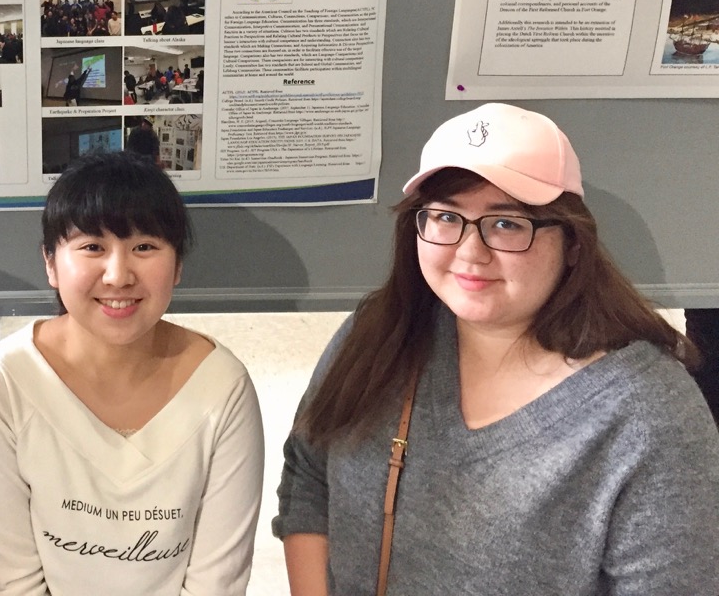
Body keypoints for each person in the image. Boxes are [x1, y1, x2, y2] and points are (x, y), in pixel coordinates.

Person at [274, 103, 719, 595]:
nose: (470, 252)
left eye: (507, 223)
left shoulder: (647, 414)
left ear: (572, 243)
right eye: (446, 217)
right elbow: (309, 477)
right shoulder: (381, 333)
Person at [0, 152, 263, 595]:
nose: (118, 275)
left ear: (177, 266)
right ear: (50, 264)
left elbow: (217, 584)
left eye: (144, 247)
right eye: (92, 246)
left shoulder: (222, 388)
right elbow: (12, 585)